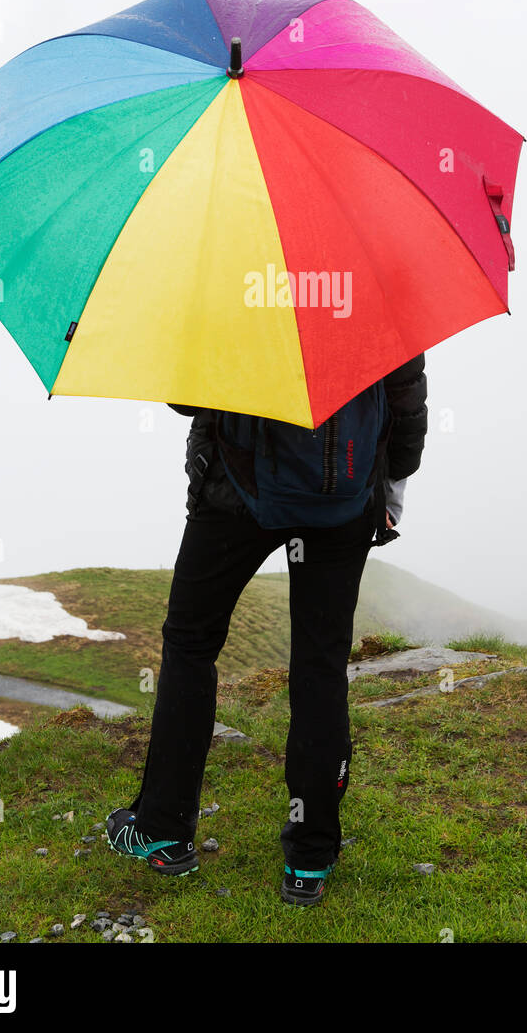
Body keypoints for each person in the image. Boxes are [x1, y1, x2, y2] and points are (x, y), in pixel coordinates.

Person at [106, 352, 427, 906]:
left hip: (237, 489)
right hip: (344, 500)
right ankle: (310, 860)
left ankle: (163, 831)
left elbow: (185, 394)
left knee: (190, 642)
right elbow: (406, 403)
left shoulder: (232, 269)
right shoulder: (376, 272)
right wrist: (388, 491)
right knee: (320, 665)